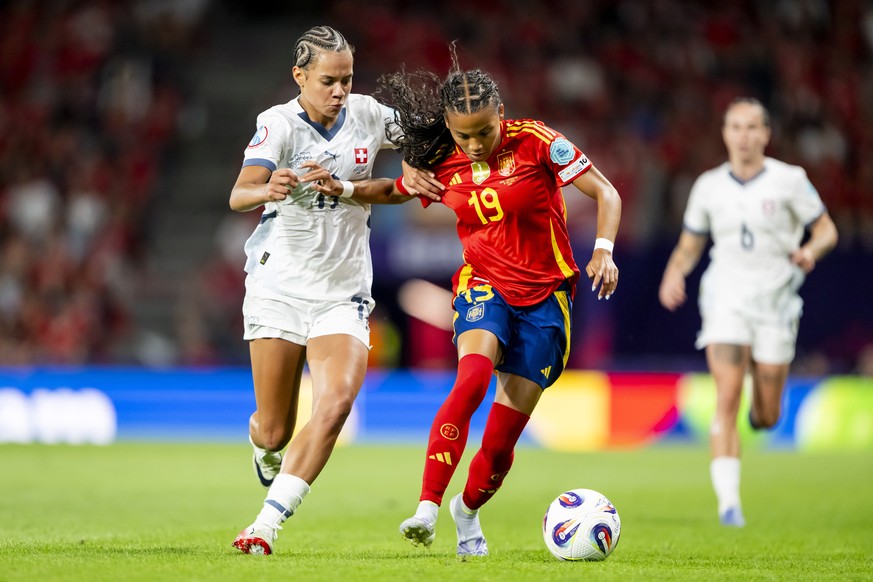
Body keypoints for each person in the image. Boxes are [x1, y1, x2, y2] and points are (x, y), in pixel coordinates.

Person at [373, 49, 622, 555]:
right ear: (448, 126)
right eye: (462, 134)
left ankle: (466, 511)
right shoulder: (442, 155)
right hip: (483, 283)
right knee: (471, 378)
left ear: (500, 114)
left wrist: (604, 251)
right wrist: (359, 184)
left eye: (482, 132)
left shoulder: (538, 142)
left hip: (547, 298)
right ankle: (425, 507)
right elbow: (396, 188)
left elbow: (607, 193)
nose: (473, 143)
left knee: (500, 441)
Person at [228, 25, 437, 555]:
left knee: (337, 401)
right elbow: (239, 195)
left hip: (343, 291)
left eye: (346, 78)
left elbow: (423, 141)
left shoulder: (369, 114)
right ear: (299, 77)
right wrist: (266, 187)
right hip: (279, 285)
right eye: (328, 80)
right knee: (275, 430)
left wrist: (415, 162)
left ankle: (265, 525)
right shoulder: (277, 125)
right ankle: (263, 447)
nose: (340, 90)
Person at [658, 97, 838, 527]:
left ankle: (763, 396)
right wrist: (673, 273)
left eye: (752, 127)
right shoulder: (708, 186)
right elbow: (690, 243)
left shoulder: (790, 180)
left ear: (766, 134)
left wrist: (811, 250)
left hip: (776, 301)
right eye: (735, 127)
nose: (743, 136)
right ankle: (728, 506)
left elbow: (827, 229)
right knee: (726, 397)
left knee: (767, 415)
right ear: (724, 134)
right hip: (726, 298)